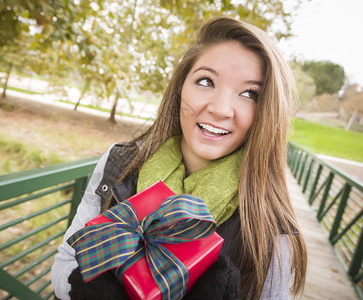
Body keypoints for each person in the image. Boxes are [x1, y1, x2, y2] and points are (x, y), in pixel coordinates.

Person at [51, 16, 307, 299]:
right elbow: (64, 262)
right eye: (206, 81)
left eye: (249, 93)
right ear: (181, 87)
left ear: (267, 113)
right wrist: (88, 289)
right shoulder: (119, 163)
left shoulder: (269, 220)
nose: (221, 109)